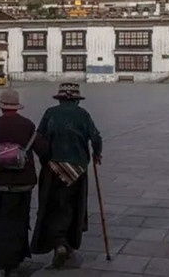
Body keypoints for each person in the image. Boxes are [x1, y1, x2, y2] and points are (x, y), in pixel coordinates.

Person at [31, 83, 102, 268]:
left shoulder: (50, 113)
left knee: (52, 206)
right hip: (77, 169)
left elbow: (39, 138)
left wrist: (44, 158)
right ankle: (67, 242)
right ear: (77, 101)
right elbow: (96, 137)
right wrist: (96, 155)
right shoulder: (83, 114)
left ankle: (59, 243)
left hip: (53, 168)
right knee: (74, 206)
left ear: (60, 99)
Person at [0, 89, 48, 276]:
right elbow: (43, 150)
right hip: (22, 184)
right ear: (17, 107)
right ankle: (16, 261)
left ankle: (3, 263)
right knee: (19, 221)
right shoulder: (27, 125)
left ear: (2, 107)